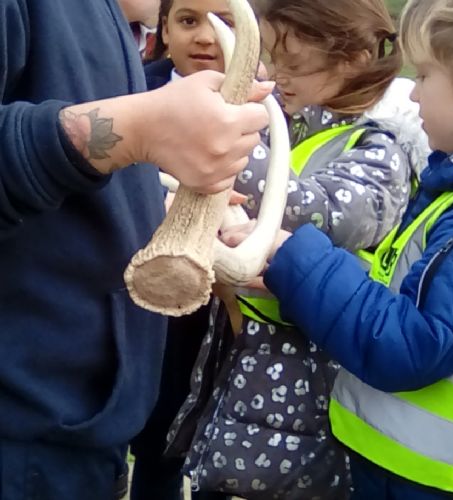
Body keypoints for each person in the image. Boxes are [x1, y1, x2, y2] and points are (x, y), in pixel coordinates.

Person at [223, 0, 453, 498]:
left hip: (431, 483)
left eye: (426, 76)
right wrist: (293, 279)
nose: (412, 93)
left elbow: (409, 343)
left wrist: (296, 259)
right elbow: (400, 293)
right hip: (399, 468)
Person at [0, 0, 271, 499]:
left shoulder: (109, 18)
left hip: (75, 441)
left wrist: (148, 208)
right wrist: (135, 130)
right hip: (23, 445)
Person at [169, 0, 429, 498]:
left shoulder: (383, 149)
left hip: (310, 394)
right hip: (253, 375)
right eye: (273, 59)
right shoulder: (294, 124)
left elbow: (324, 212)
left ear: (354, 59)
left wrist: (228, 144)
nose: (277, 75)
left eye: (295, 64)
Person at [129, 1, 233, 498]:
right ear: (164, 30)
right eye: (188, 21)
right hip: (136, 295)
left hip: (221, 310)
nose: (206, 37)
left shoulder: (272, 108)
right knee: (141, 436)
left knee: (193, 442)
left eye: (225, 22)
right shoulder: (129, 93)